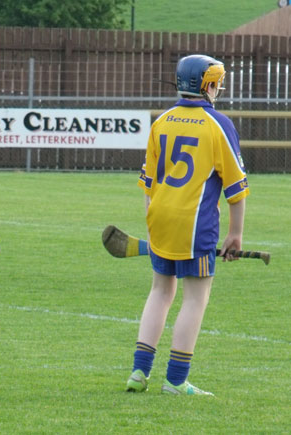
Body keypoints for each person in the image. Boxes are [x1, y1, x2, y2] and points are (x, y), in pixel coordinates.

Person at [126, 55, 250, 395]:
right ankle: (177, 380)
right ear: (207, 85)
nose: (219, 88)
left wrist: (152, 224)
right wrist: (235, 234)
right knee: (196, 298)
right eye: (217, 82)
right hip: (196, 224)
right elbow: (236, 188)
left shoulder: (162, 121)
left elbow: (148, 183)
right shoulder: (219, 124)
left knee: (160, 291)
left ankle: (139, 372)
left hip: (159, 218)